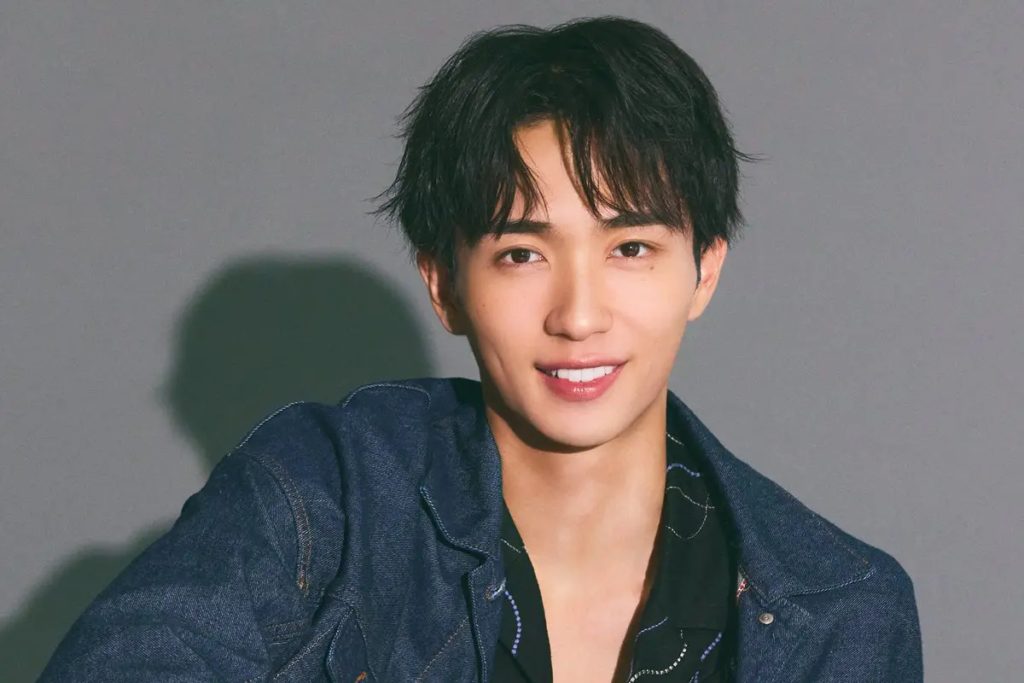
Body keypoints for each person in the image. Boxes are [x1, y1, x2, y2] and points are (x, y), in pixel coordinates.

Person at [41, 16, 922, 683]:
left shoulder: (838, 607)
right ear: (444, 284)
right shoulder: (325, 498)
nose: (579, 315)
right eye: (522, 254)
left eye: (630, 248)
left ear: (704, 271)